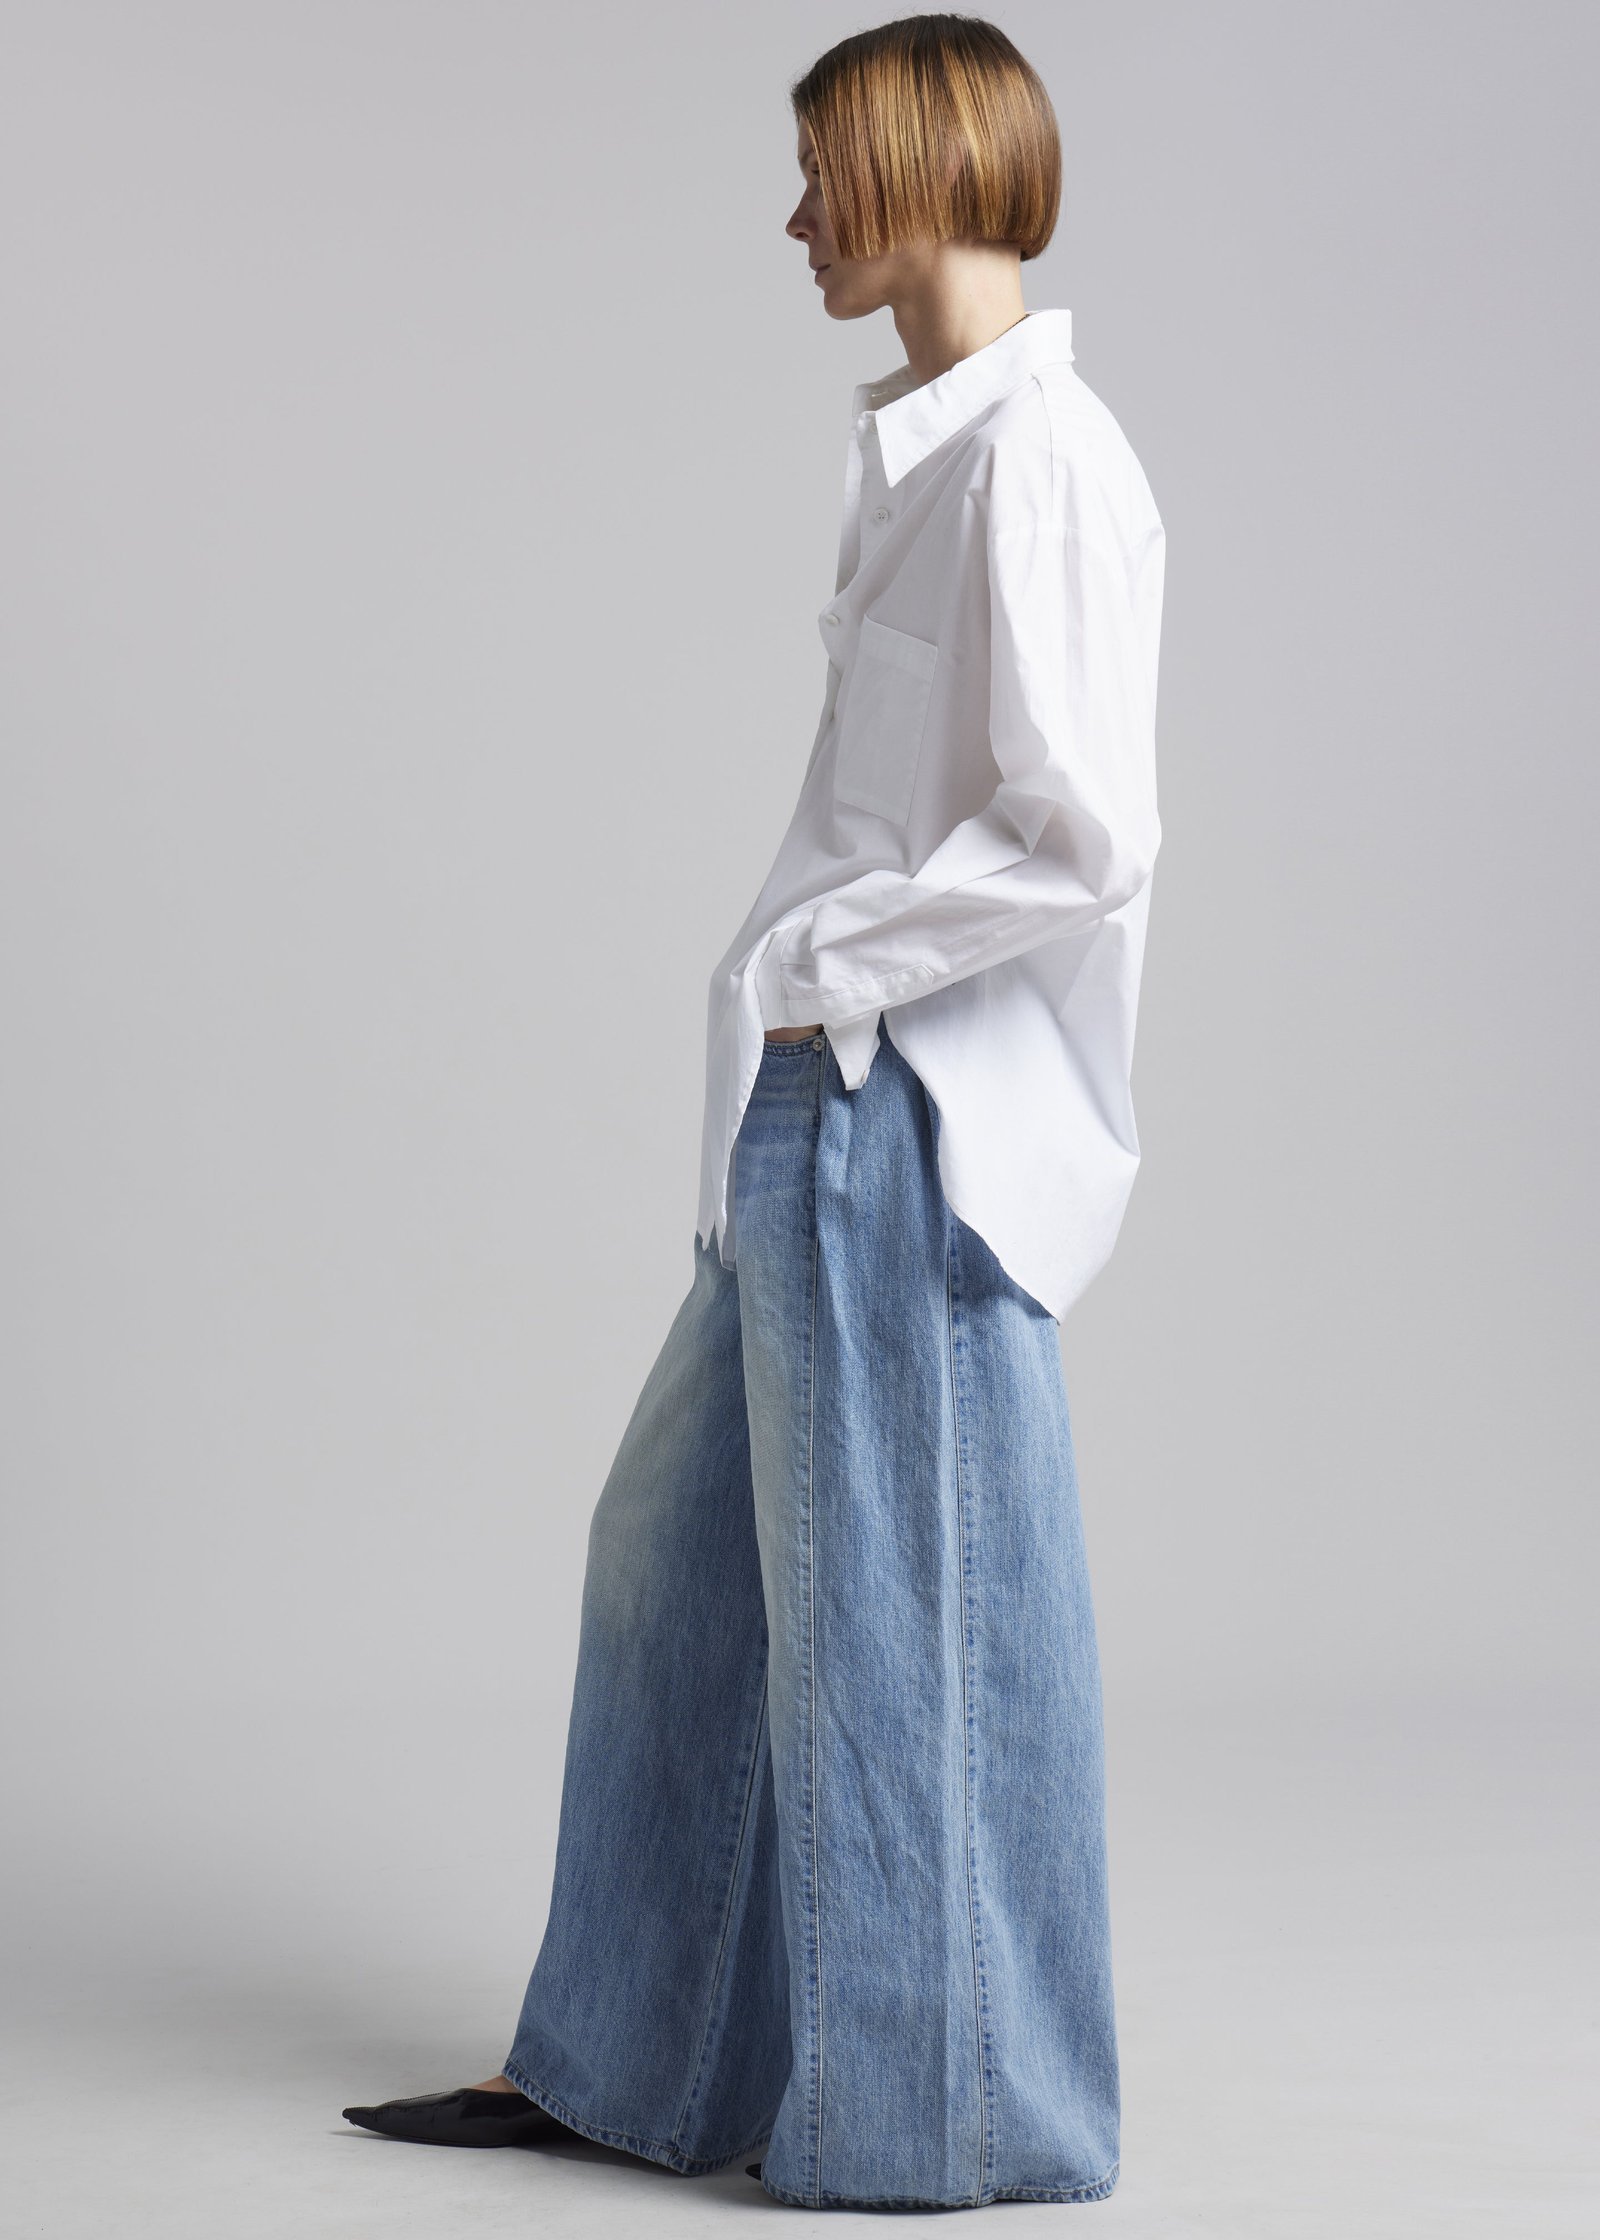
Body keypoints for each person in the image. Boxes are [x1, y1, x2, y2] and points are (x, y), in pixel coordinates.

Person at [343, 12, 1164, 2213]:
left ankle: (938, 2121)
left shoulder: (1040, 461)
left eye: (821, 173)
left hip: (909, 1103)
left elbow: (1084, 836)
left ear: (917, 167)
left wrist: (824, 967)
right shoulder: (931, 452)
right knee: (678, 1566)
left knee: (902, 1610)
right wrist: (791, 1002)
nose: (795, 217)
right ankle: (628, 2064)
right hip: (820, 1095)